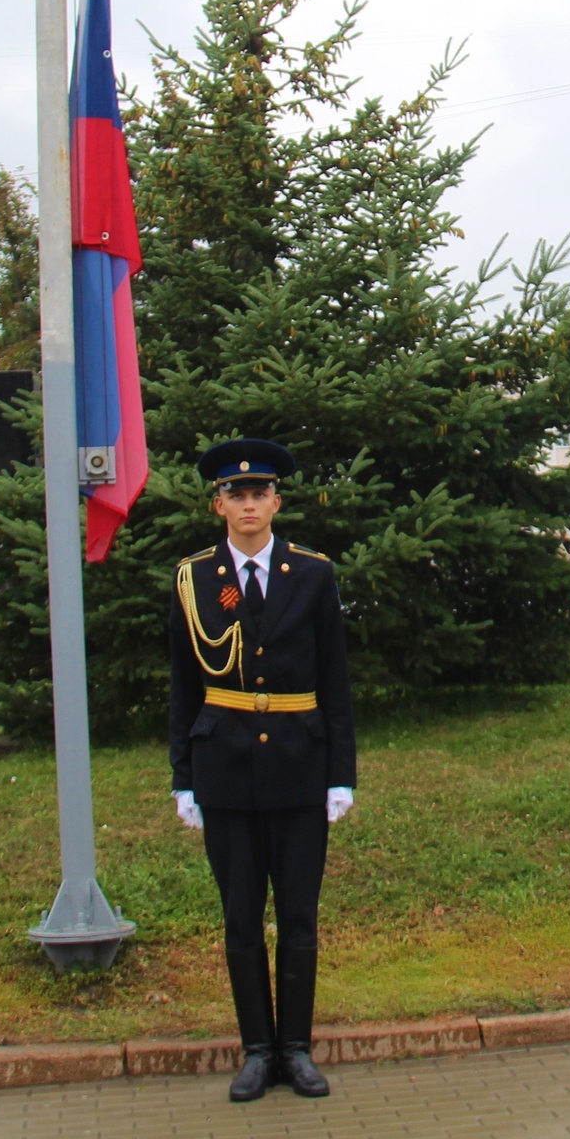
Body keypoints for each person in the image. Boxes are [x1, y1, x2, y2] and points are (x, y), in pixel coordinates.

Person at [167, 439, 357, 1101]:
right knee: (242, 915)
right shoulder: (194, 578)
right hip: (225, 767)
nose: (248, 505)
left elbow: (335, 680)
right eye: (236, 495)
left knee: (298, 913)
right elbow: (182, 686)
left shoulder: (313, 573)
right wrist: (183, 775)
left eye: (260, 494)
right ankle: (256, 1049)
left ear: (276, 501)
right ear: (219, 503)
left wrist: (341, 772)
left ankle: (297, 1049)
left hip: (301, 765)